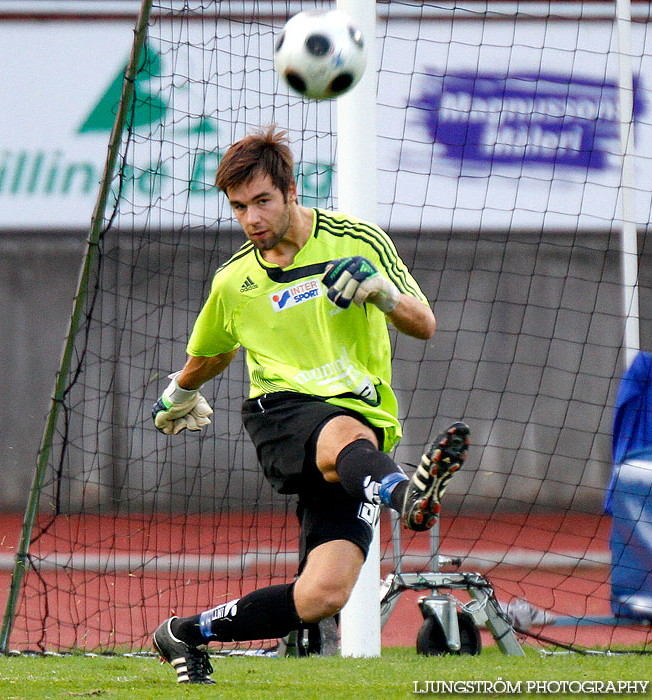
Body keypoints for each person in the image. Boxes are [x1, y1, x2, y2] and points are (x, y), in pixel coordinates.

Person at [150, 125, 470, 684]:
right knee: (344, 432)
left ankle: (185, 633)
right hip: (283, 413)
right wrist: (179, 393)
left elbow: (425, 323)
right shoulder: (235, 281)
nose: (251, 219)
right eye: (239, 207)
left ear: (292, 191)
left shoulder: (357, 242)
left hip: (361, 436)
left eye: (262, 202)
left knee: (323, 594)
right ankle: (406, 495)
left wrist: (381, 292)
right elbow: (211, 352)